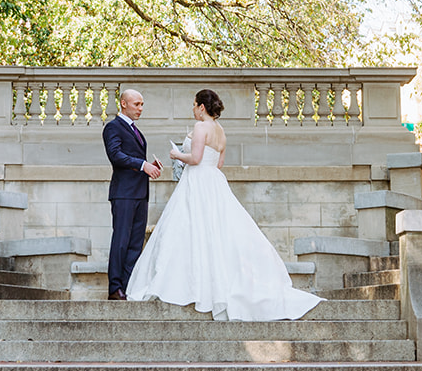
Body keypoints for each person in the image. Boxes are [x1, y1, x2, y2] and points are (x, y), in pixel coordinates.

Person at [126, 88, 322, 321]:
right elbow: (218, 164)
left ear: (201, 107)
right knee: (218, 231)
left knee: (192, 229)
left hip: (197, 181)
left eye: (194, 104)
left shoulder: (201, 127)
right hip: (215, 182)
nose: (192, 109)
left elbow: (196, 159)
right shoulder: (220, 131)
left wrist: (176, 155)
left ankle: (193, 285)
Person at [102, 88, 160, 301]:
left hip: (140, 193)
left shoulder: (136, 130)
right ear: (124, 104)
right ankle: (114, 288)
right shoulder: (113, 127)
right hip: (123, 194)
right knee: (121, 240)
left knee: (136, 243)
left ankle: (127, 287)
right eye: (137, 104)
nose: (140, 108)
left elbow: (133, 157)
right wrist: (142, 165)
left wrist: (147, 165)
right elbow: (115, 155)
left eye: (142, 104)